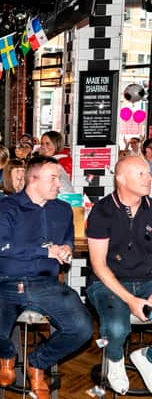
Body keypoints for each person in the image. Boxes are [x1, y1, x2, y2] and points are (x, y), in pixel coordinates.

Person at [0, 155, 93, 399]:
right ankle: (8, 354)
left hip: (46, 283)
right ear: (33, 179)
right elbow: (0, 246)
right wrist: (45, 251)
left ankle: (38, 363)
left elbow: (67, 238)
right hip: (5, 283)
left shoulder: (63, 209)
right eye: (53, 178)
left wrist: (66, 249)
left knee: (82, 329)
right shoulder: (7, 207)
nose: (58, 184)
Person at [86, 156, 152, 394]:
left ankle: (147, 357)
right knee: (116, 328)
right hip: (107, 283)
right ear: (121, 179)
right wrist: (131, 300)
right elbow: (99, 265)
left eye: (148, 173)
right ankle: (115, 360)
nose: (149, 178)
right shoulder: (102, 211)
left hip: (147, 282)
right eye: (141, 174)